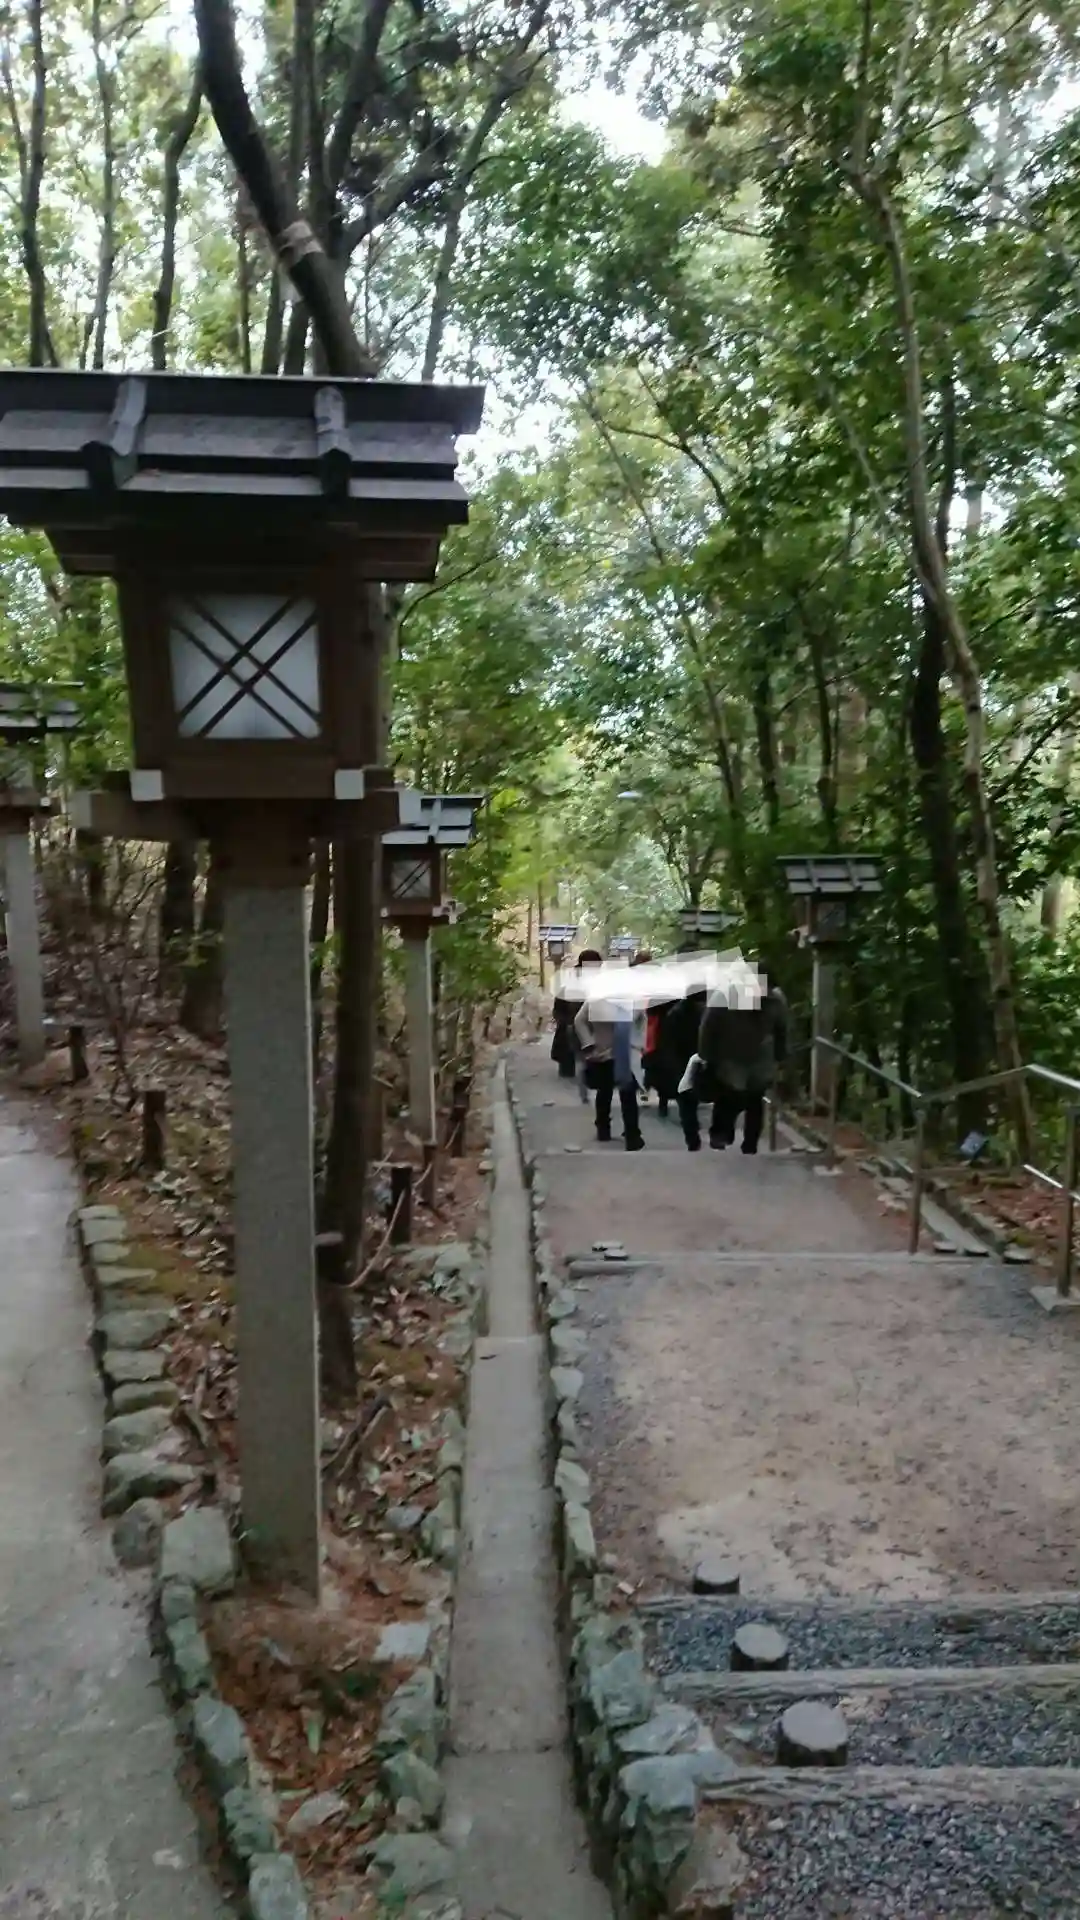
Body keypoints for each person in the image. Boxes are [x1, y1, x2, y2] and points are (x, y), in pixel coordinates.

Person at [679, 968, 787, 1153]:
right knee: (730, 1095)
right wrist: (706, 1056)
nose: (762, 992)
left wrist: (781, 1055)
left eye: (766, 988)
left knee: (755, 1098)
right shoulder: (725, 996)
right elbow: (707, 1027)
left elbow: (781, 1029)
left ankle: (750, 1143)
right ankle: (721, 1133)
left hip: (760, 1057)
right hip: (729, 1055)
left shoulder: (775, 1000)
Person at [574, 978, 644, 1151]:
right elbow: (639, 1026)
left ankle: (603, 1128)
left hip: (602, 1052)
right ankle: (632, 1136)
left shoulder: (595, 1000)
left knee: (604, 1091)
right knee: (627, 1095)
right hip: (624, 1054)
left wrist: (588, 1043)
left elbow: (579, 1021)